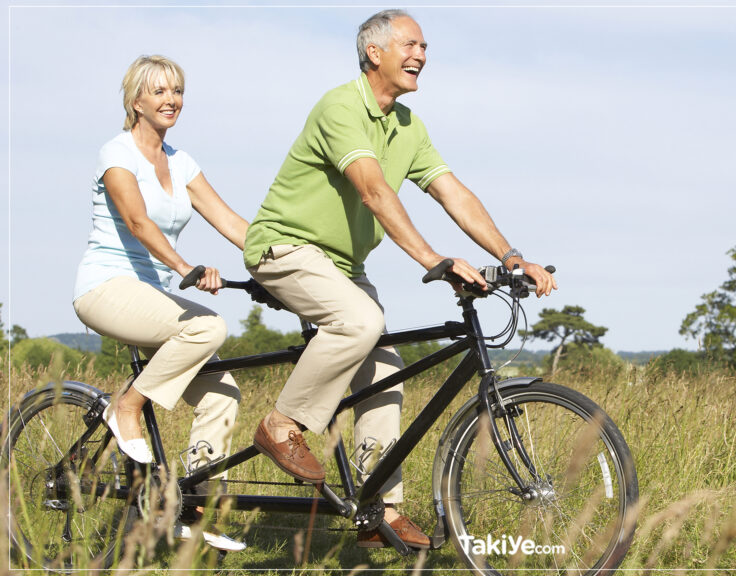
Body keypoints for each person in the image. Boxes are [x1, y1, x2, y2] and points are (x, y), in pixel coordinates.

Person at [242, 9, 557, 550]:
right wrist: (434, 258)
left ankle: (377, 511)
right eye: (410, 44)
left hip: (344, 266)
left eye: (425, 46)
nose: (421, 55)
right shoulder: (341, 106)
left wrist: (510, 255)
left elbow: (451, 191)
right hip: (285, 247)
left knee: (386, 368)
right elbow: (373, 191)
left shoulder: (408, 125)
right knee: (359, 321)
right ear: (374, 53)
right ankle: (280, 424)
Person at [72, 55, 247, 552]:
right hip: (105, 287)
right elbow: (137, 222)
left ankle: (190, 509)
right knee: (207, 327)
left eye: (177, 91)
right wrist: (187, 266)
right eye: (160, 91)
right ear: (136, 101)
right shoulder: (117, 153)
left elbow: (232, 222)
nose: (171, 99)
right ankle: (126, 408)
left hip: (151, 294)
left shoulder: (182, 161)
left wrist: (283, 262)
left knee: (222, 393)